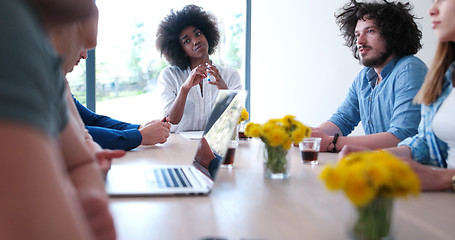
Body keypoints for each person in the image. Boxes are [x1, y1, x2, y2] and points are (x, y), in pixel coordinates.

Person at [0, 1, 115, 239]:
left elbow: (80, 162)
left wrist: (85, 199)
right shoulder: (9, 24)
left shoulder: (43, 57)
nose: (88, 48)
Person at [340, 0, 455, 192]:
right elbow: (425, 142)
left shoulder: (410, 68)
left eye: (442, 1)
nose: (432, 10)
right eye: (357, 34)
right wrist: (379, 157)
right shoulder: (444, 75)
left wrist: (443, 178)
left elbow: (402, 133)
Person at [311, 0, 428, 152]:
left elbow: (402, 137)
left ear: (392, 34)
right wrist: (311, 137)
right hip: (379, 167)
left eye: (370, 31)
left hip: (410, 172)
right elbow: (342, 120)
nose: (360, 41)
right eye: (357, 34)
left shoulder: (410, 69)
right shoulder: (365, 77)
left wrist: (331, 142)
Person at [156, 4, 242, 132]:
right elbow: (171, 121)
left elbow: (236, 121)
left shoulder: (230, 74)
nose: (195, 41)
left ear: (207, 35)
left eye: (198, 34)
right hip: (178, 145)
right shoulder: (169, 76)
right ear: (181, 50)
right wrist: (185, 89)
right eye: (187, 41)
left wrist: (223, 90)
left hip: (215, 145)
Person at [72, 51, 171, 151]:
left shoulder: (60, 86)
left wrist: (139, 128)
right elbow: (73, 134)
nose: (85, 55)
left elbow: (93, 120)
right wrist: (140, 136)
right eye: (80, 45)